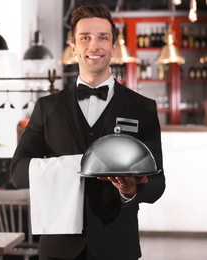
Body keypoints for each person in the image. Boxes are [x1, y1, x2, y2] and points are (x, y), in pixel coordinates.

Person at [10, 4, 165, 260]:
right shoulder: (47, 108)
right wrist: (74, 166)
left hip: (117, 247)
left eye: (103, 37)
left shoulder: (142, 108)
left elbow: (158, 183)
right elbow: (17, 173)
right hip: (58, 250)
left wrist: (130, 191)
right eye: (85, 38)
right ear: (73, 48)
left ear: (114, 47)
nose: (94, 46)